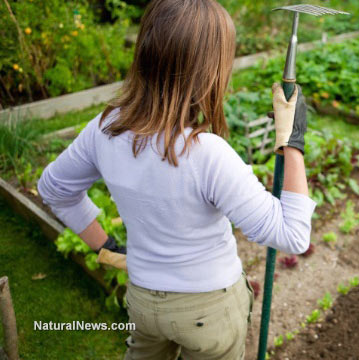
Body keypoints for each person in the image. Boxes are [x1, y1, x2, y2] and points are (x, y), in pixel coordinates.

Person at [36, 0, 315, 359]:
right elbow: (292, 235)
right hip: (208, 312)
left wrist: (105, 247)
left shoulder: (104, 129)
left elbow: (54, 189)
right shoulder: (206, 154)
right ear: (208, 71)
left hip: (143, 302)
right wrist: (292, 143)